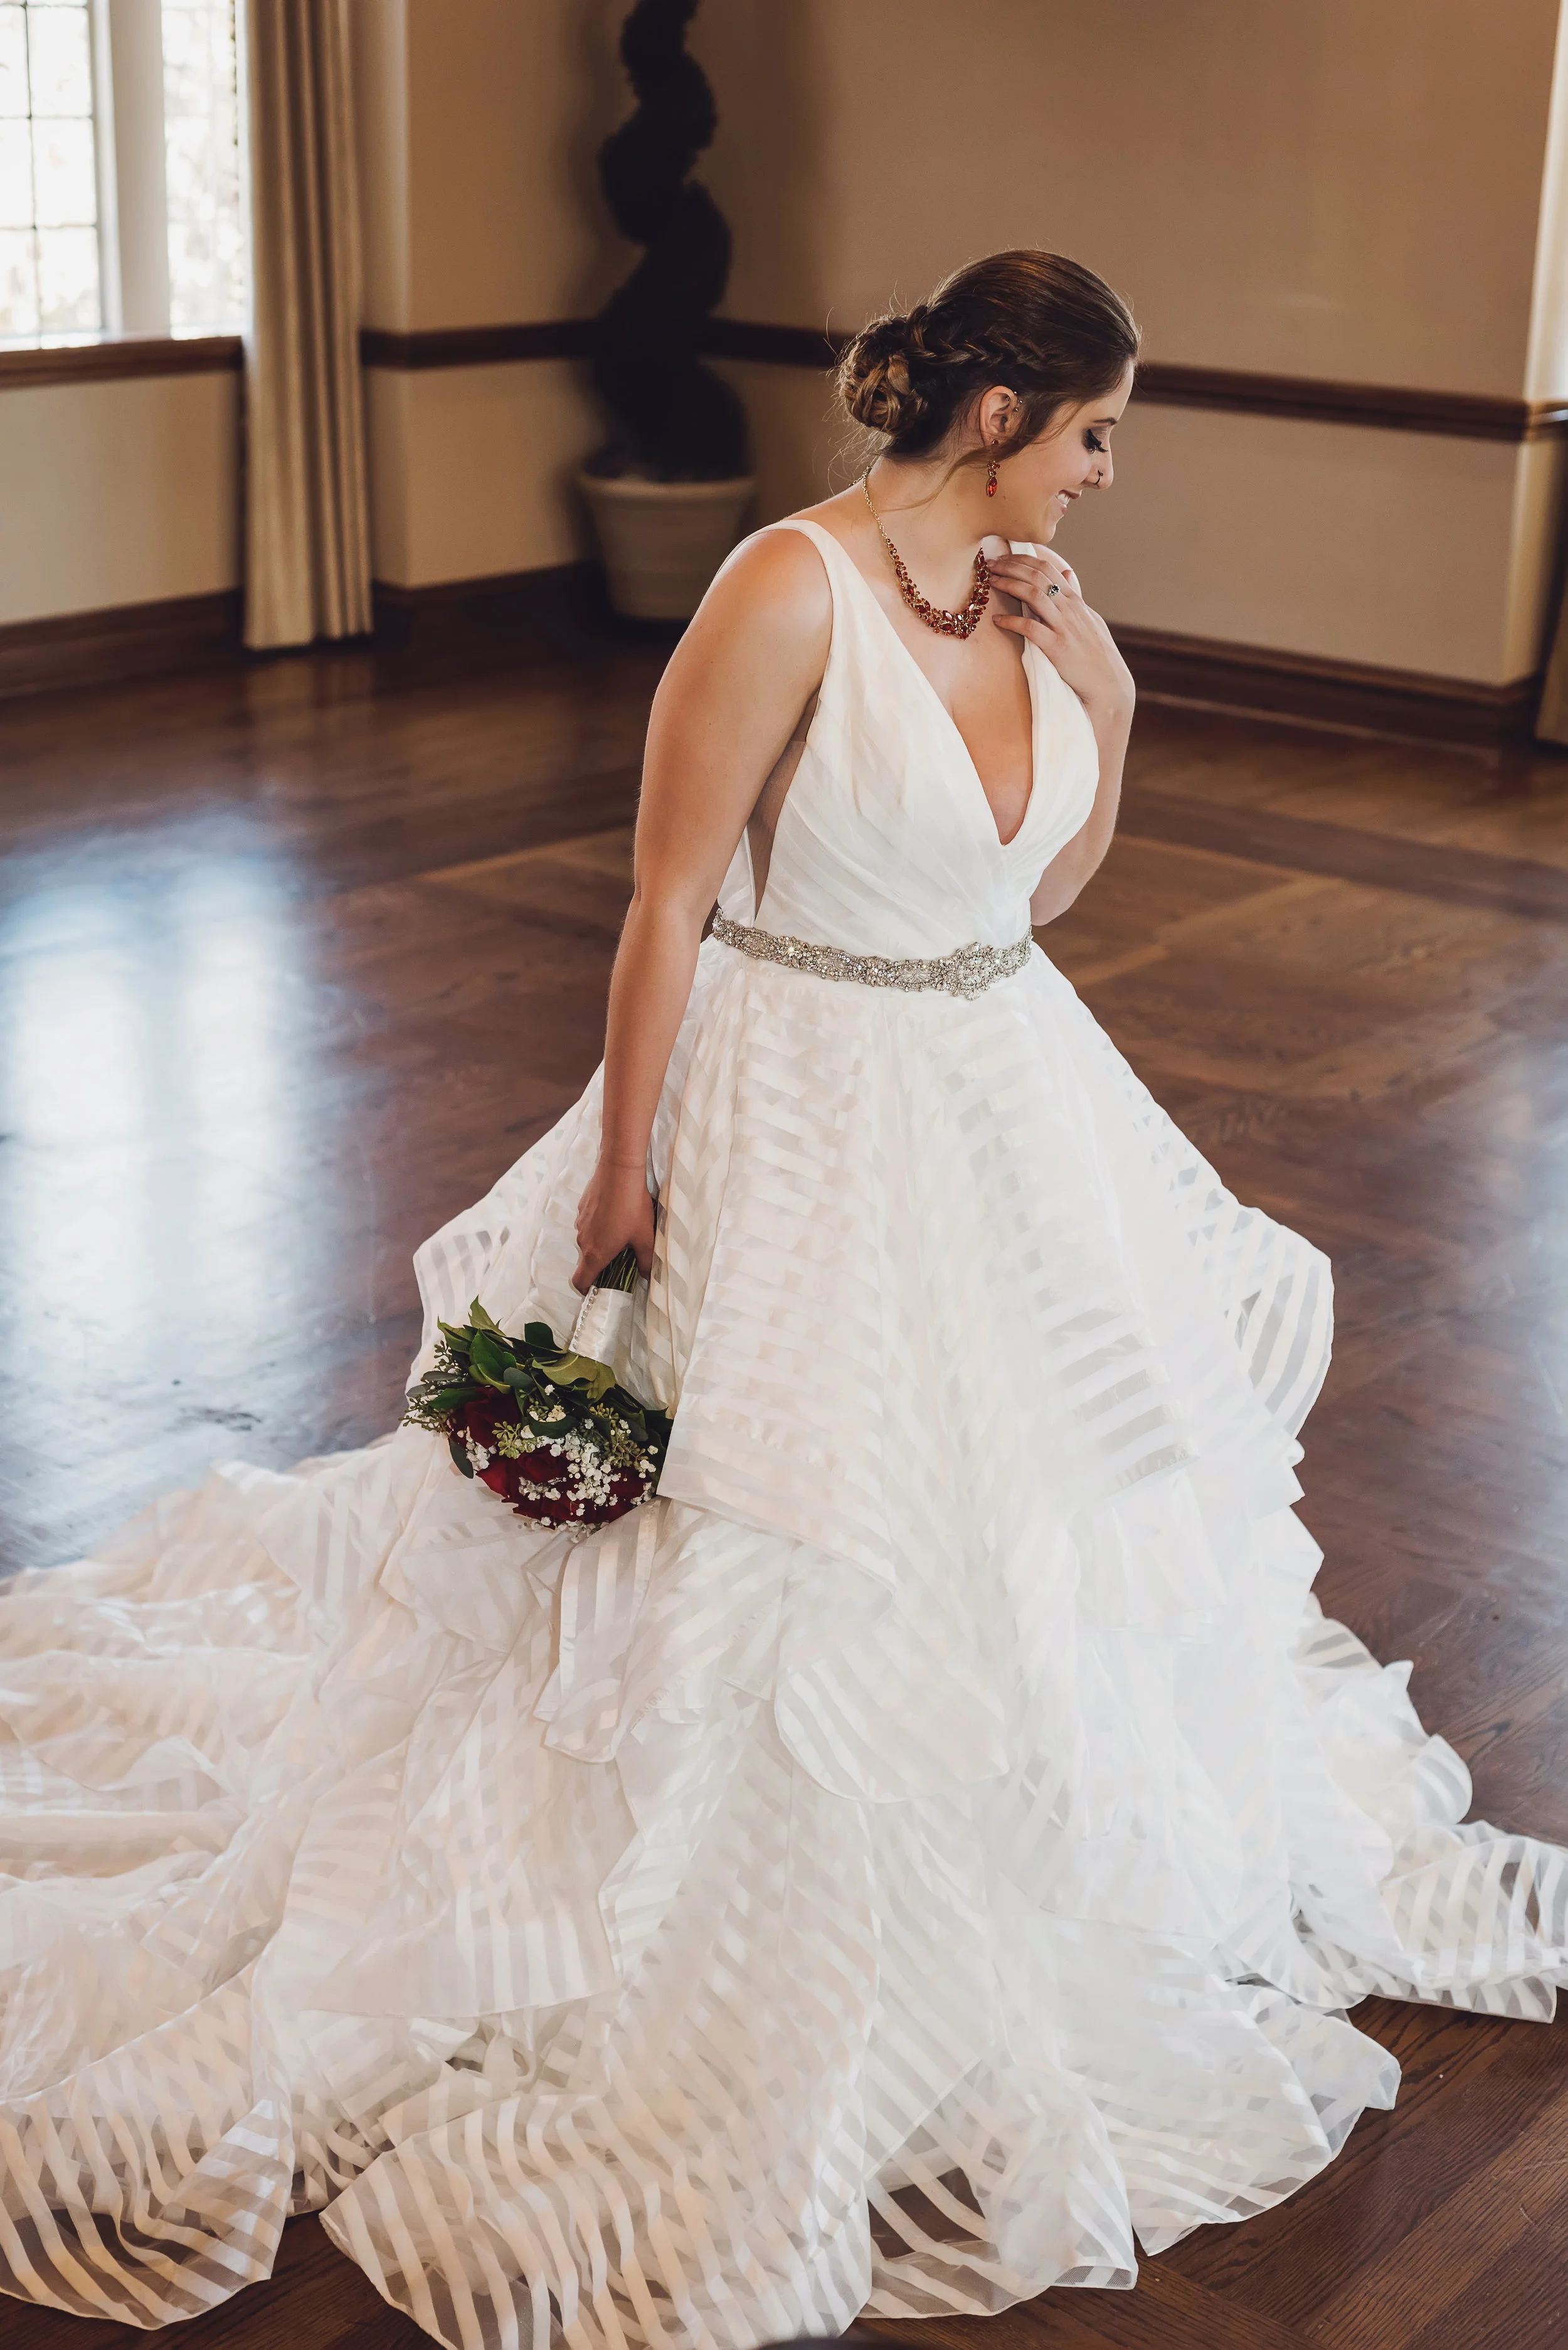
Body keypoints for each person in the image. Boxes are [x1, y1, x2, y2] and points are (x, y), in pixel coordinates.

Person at [1, 248, 1564, 2349]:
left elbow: (1030, 897)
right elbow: (663, 898)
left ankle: (1004, 1851)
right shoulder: (783, 590)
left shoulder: (1021, 604)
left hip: (1001, 1103)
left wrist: (1098, 688)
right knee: (775, 1537)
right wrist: (628, 1168)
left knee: (1024, 1516)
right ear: (1000, 418)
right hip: (794, 1108)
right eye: (1095, 435)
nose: (1105, 478)